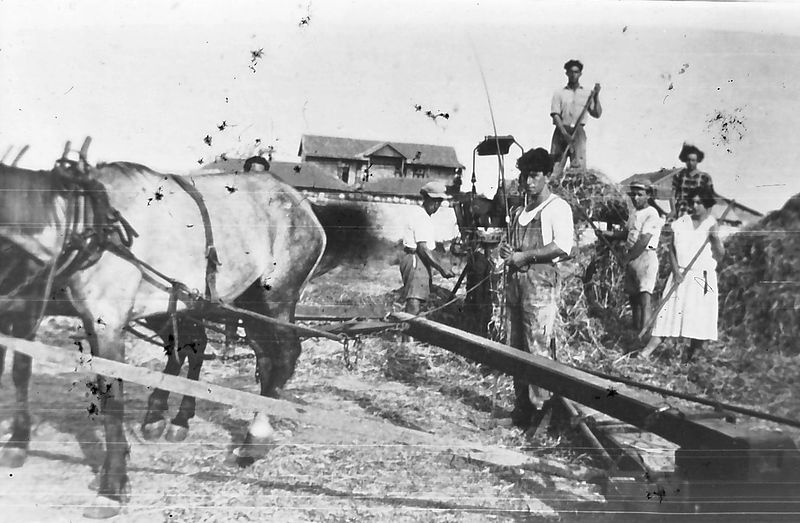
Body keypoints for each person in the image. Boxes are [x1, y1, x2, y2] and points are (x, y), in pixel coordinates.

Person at [499, 148, 575, 429]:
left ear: (547, 176)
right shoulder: (520, 211)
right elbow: (511, 247)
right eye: (524, 176)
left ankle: (542, 414)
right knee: (515, 346)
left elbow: (563, 247)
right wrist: (508, 251)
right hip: (516, 284)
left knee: (538, 348)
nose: (528, 182)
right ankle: (522, 410)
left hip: (540, 284)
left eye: (534, 176)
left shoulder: (557, 208)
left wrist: (527, 256)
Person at [640, 185, 724, 363]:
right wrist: (676, 270)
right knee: (667, 314)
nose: (695, 206)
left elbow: (720, 254)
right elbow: (671, 249)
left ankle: (690, 359)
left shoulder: (712, 224)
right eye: (692, 202)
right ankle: (645, 352)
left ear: (707, 204)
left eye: (699, 203)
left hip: (703, 277)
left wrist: (716, 239)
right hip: (681, 275)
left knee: (700, 318)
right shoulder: (681, 223)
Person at [598, 181, 665, 335]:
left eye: (640, 194)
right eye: (633, 194)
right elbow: (625, 233)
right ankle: (635, 330)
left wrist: (627, 258)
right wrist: (605, 234)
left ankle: (644, 333)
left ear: (648, 195)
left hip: (645, 256)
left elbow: (643, 240)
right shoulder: (634, 213)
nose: (635, 197)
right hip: (632, 257)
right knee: (634, 297)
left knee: (644, 298)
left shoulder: (652, 213)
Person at [400, 181, 456, 314]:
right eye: (434, 201)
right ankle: (409, 333)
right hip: (416, 260)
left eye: (439, 201)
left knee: (417, 301)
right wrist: (441, 268)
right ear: (426, 199)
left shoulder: (423, 216)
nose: (436, 205)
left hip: (418, 260)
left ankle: (411, 332)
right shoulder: (422, 218)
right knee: (414, 301)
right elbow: (423, 249)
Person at [550, 59, 602, 176]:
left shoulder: (587, 93)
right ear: (567, 73)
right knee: (555, 166)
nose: (574, 75)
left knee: (578, 167)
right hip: (561, 131)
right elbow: (555, 115)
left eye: (576, 72)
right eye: (571, 72)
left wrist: (596, 96)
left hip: (578, 133)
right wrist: (564, 134)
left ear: (580, 74)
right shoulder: (559, 93)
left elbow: (597, 114)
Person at [671, 141, 714, 219]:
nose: (691, 163)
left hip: (697, 212)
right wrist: (673, 211)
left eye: (693, 160)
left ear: (697, 161)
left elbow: (710, 200)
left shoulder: (705, 177)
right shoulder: (679, 175)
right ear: (685, 160)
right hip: (681, 212)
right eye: (688, 160)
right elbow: (672, 196)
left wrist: (707, 215)